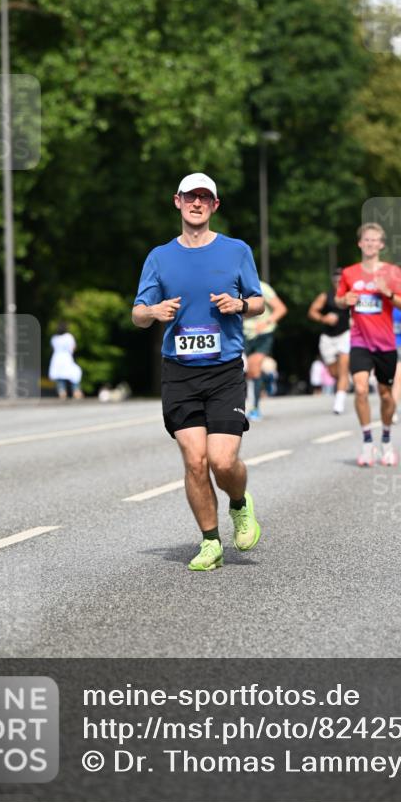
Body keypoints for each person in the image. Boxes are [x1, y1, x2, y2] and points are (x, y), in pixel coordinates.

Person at [132, 172, 264, 571]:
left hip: (224, 370)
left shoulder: (236, 250)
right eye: (191, 196)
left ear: (215, 206)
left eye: (205, 198)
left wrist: (239, 305)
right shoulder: (159, 257)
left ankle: (239, 504)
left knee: (222, 461)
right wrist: (153, 312)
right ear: (178, 201)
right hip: (179, 372)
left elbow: (258, 302)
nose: (197, 203)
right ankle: (210, 542)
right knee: (194, 461)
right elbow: (138, 314)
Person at [336, 222, 401, 466]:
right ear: (360, 243)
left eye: (374, 240)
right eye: (366, 240)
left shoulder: (393, 272)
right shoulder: (349, 273)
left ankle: (386, 441)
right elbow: (339, 300)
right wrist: (344, 300)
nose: (370, 244)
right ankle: (368, 443)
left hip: (386, 343)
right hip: (359, 341)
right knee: (359, 388)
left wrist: (387, 292)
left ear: (381, 244)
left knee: (386, 395)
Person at [307, 270, 351, 414]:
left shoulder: (350, 296)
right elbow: (312, 311)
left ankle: (339, 402)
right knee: (334, 372)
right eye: (336, 280)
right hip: (328, 338)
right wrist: (324, 318)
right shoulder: (326, 296)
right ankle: (343, 383)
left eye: (341, 280)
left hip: (345, 334)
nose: (338, 282)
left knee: (344, 367)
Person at [243, 280, 287, 420]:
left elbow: (281, 308)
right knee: (247, 371)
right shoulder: (230, 285)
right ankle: (268, 377)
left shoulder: (262, 287)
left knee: (254, 367)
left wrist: (266, 322)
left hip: (263, 334)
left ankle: (255, 408)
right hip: (243, 334)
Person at [48, 322, 83, 399]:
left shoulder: (54, 338)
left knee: (60, 377)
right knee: (74, 374)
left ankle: (62, 392)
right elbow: (73, 348)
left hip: (56, 358)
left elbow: (53, 348)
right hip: (66, 358)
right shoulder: (69, 337)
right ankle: (76, 390)